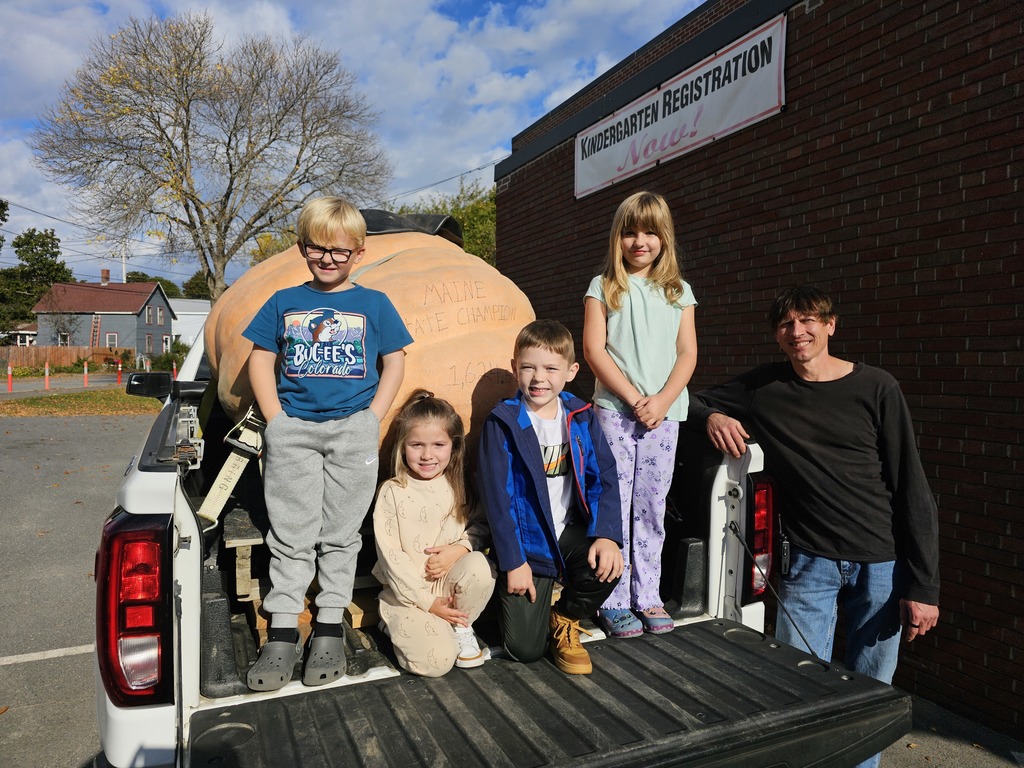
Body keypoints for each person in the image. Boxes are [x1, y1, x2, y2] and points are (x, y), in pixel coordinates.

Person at [689, 285, 940, 768]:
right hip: (808, 563)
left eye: (808, 320)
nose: (797, 331)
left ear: (830, 325)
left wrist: (924, 585)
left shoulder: (877, 387)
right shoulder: (764, 388)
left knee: (869, 695)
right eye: (786, 324)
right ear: (777, 335)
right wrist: (714, 417)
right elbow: (689, 402)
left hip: (880, 566)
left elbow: (912, 486)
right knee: (795, 687)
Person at [242, 197, 413, 691]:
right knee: (291, 533)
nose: (328, 259)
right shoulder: (283, 301)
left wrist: (372, 419)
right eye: (317, 248)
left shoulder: (375, 304)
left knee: (341, 533)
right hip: (293, 431)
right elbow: (260, 359)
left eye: (340, 251)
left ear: (358, 252)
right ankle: (281, 631)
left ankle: (330, 625)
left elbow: (395, 361)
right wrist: (276, 421)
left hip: (351, 433)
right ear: (302, 248)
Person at [477, 319, 624, 675]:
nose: (538, 378)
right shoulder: (503, 423)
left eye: (551, 369)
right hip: (527, 544)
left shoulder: (580, 416)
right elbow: (498, 501)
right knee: (524, 649)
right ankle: (510, 596)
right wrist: (514, 562)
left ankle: (566, 616)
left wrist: (607, 535)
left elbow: (604, 477)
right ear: (515, 368)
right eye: (528, 367)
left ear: (571, 372)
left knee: (608, 565)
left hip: (568, 531)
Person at [582, 191, 698, 638]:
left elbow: (687, 354)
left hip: (663, 418)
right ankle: (611, 600)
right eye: (629, 232)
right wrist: (634, 399)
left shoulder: (679, 292)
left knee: (650, 506)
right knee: (614, 506)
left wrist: (663, 400)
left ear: (664, 237)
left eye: (650, 232)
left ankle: (647, 594)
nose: (639, 241)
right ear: (618, 237)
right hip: (616, 411)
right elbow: (594, 351)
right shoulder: (603, 286)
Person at [372, 389, 496, 676]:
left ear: (454, 446)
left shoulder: (460, 485)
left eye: (438, 445)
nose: (427, 455)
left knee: (480, 566)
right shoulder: (393, 491)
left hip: (446, 586)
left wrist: (461, 548)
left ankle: (459, 625)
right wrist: (428, 603)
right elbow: (391, 557)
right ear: (403, 446)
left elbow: (481, 526)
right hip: (406, 594)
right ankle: (392, 620)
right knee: (436, 663)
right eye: (417, 445)